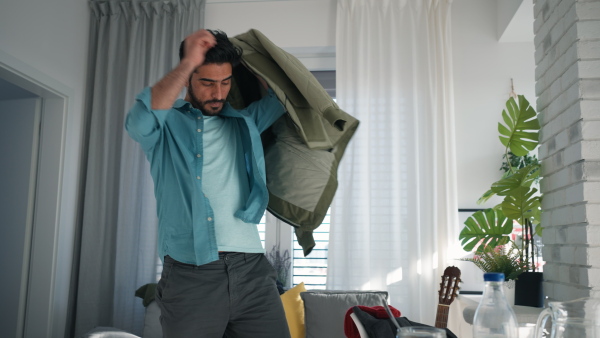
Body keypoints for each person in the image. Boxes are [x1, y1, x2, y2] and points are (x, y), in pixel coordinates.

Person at [125, 29, 290, 338]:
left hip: (253, 269)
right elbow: (139, 122)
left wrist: (254, 60)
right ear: (188, 79)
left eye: (225, 82)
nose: (218, 93)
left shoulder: (245, 121)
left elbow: (279, 100)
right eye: (207, 83)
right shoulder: (166, 126)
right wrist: (189, 61)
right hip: (192, 272)